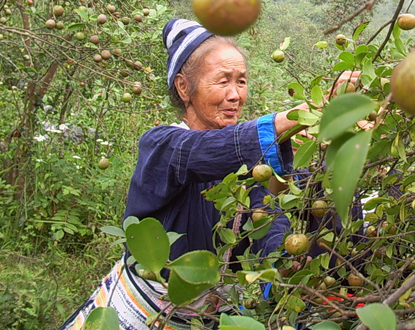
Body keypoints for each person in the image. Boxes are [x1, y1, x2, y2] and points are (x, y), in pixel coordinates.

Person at [60, 18, 319, 330]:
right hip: (136, 315)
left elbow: (265, 222)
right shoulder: (163, 145)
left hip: (204, 320)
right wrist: (299, 117)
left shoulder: (246, 165)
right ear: (184, 87)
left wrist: (283, 265)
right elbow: (202, 152)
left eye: (241, 81)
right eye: (223, 81)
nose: (235, 95)